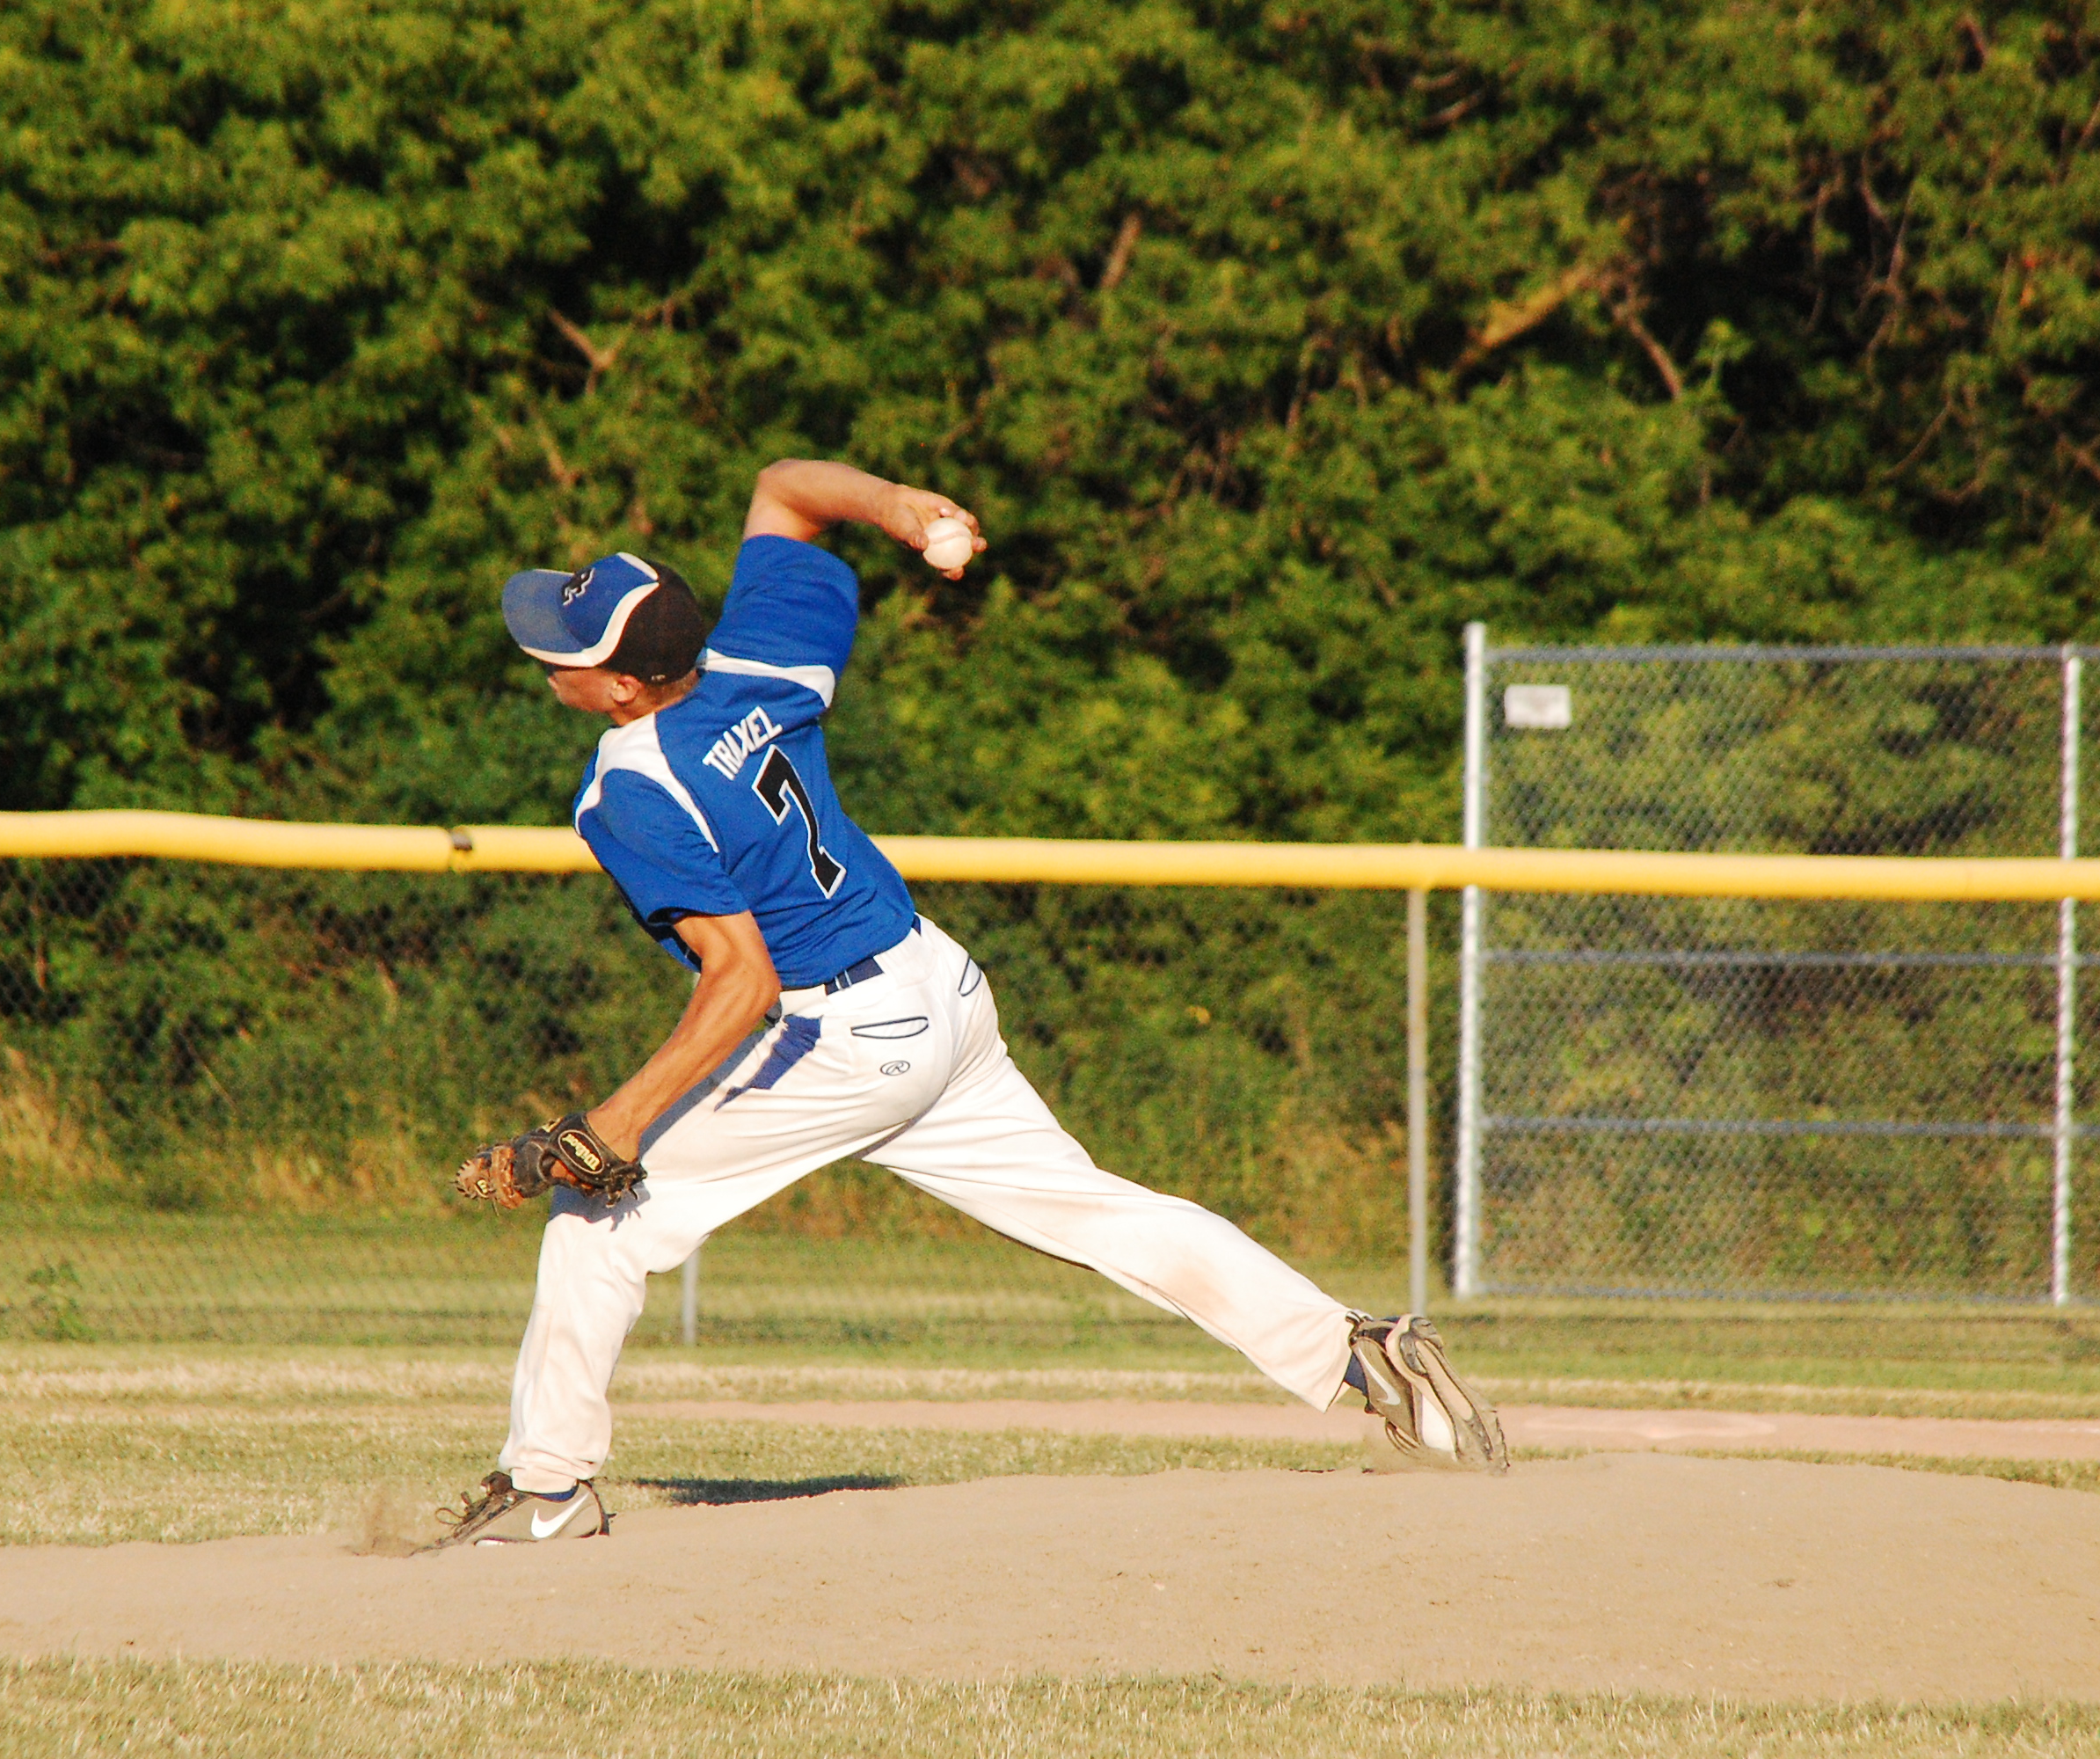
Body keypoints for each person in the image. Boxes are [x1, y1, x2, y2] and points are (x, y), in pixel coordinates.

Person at [432, 459, 1507, 1545]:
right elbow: (784, 490)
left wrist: (611, 1125)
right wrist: (902, 509)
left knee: (595, 1219)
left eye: (561, 653)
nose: (543, 660)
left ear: (622, 685)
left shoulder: (629, 785)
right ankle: (1364, 1353)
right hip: (937, 986)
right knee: (1097, 1210)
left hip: (841, 1036)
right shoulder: (756, 662)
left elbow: (741, 980)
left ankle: (547, 1488)